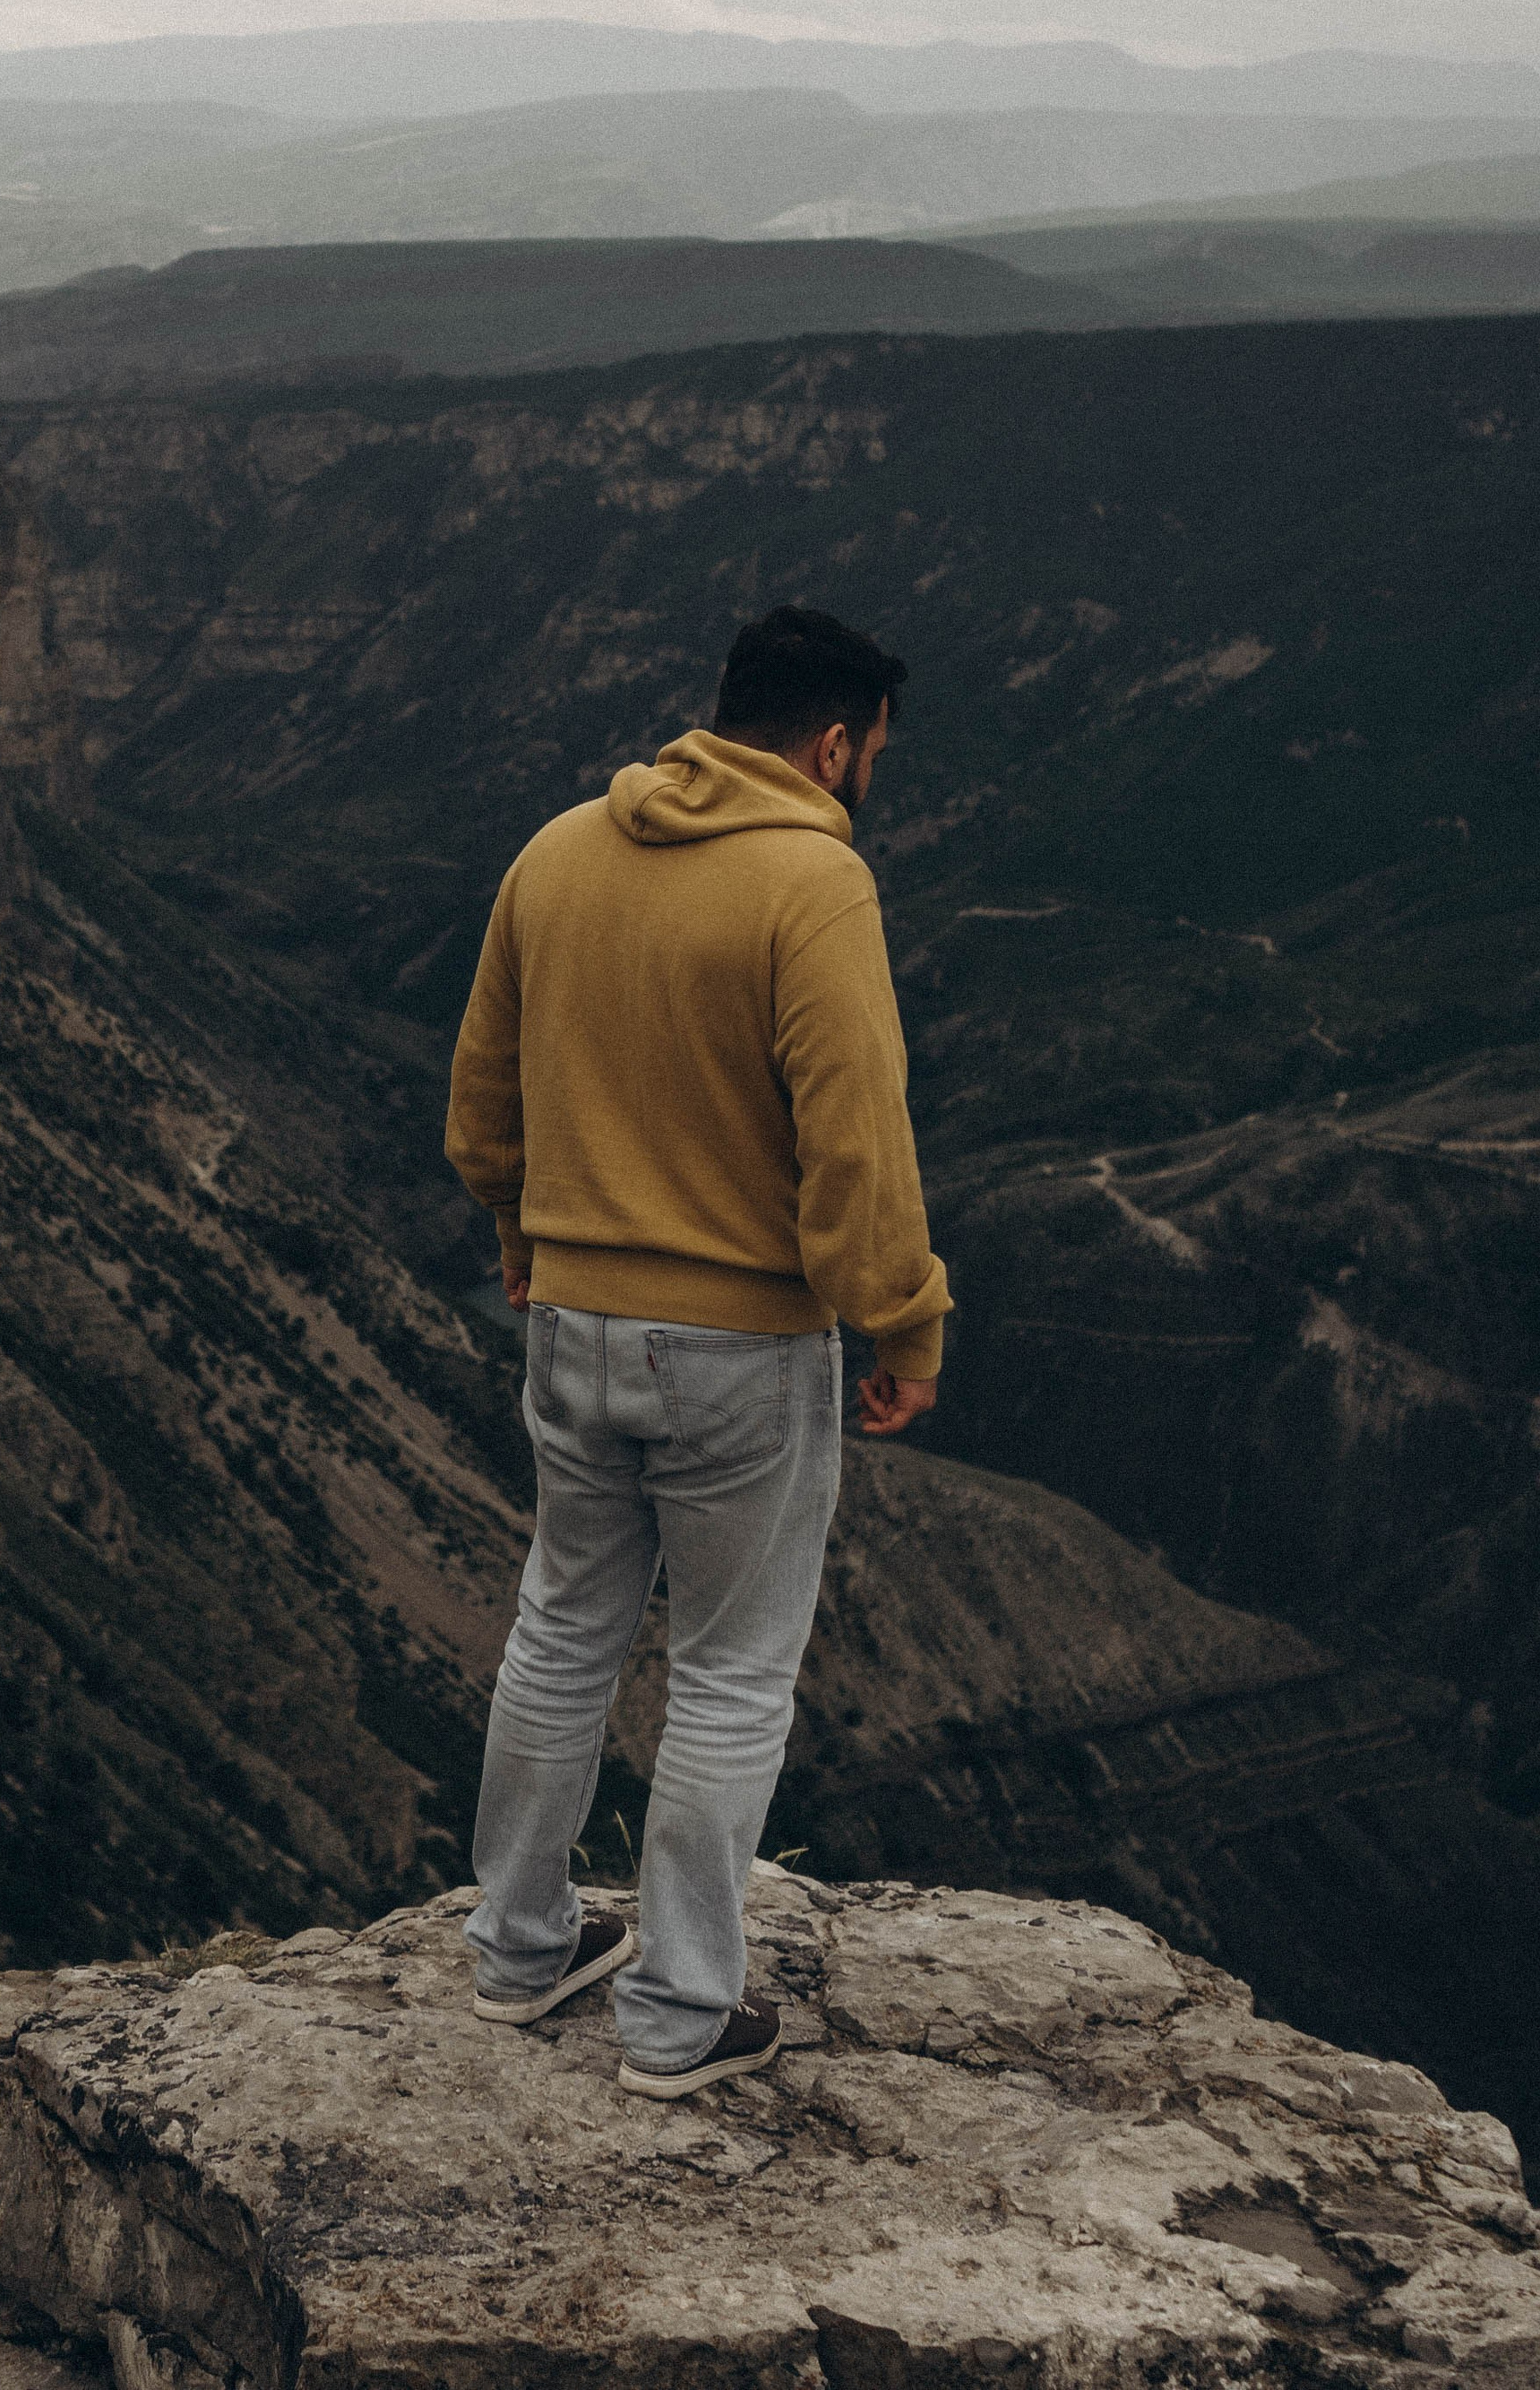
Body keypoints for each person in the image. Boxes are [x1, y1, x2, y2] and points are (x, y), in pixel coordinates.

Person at [444, 604, 951, 2099]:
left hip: (571, 1323)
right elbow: (856, 1149)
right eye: (876, 758)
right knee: (731, 1675)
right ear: (839, 742)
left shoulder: (556, 854)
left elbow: (481, 1110)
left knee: (562, 1627)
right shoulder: (815, 884)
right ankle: (680, 2014)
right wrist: (904, 1320)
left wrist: (524, 1241)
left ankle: (519, 1949)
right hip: (740, 1348)